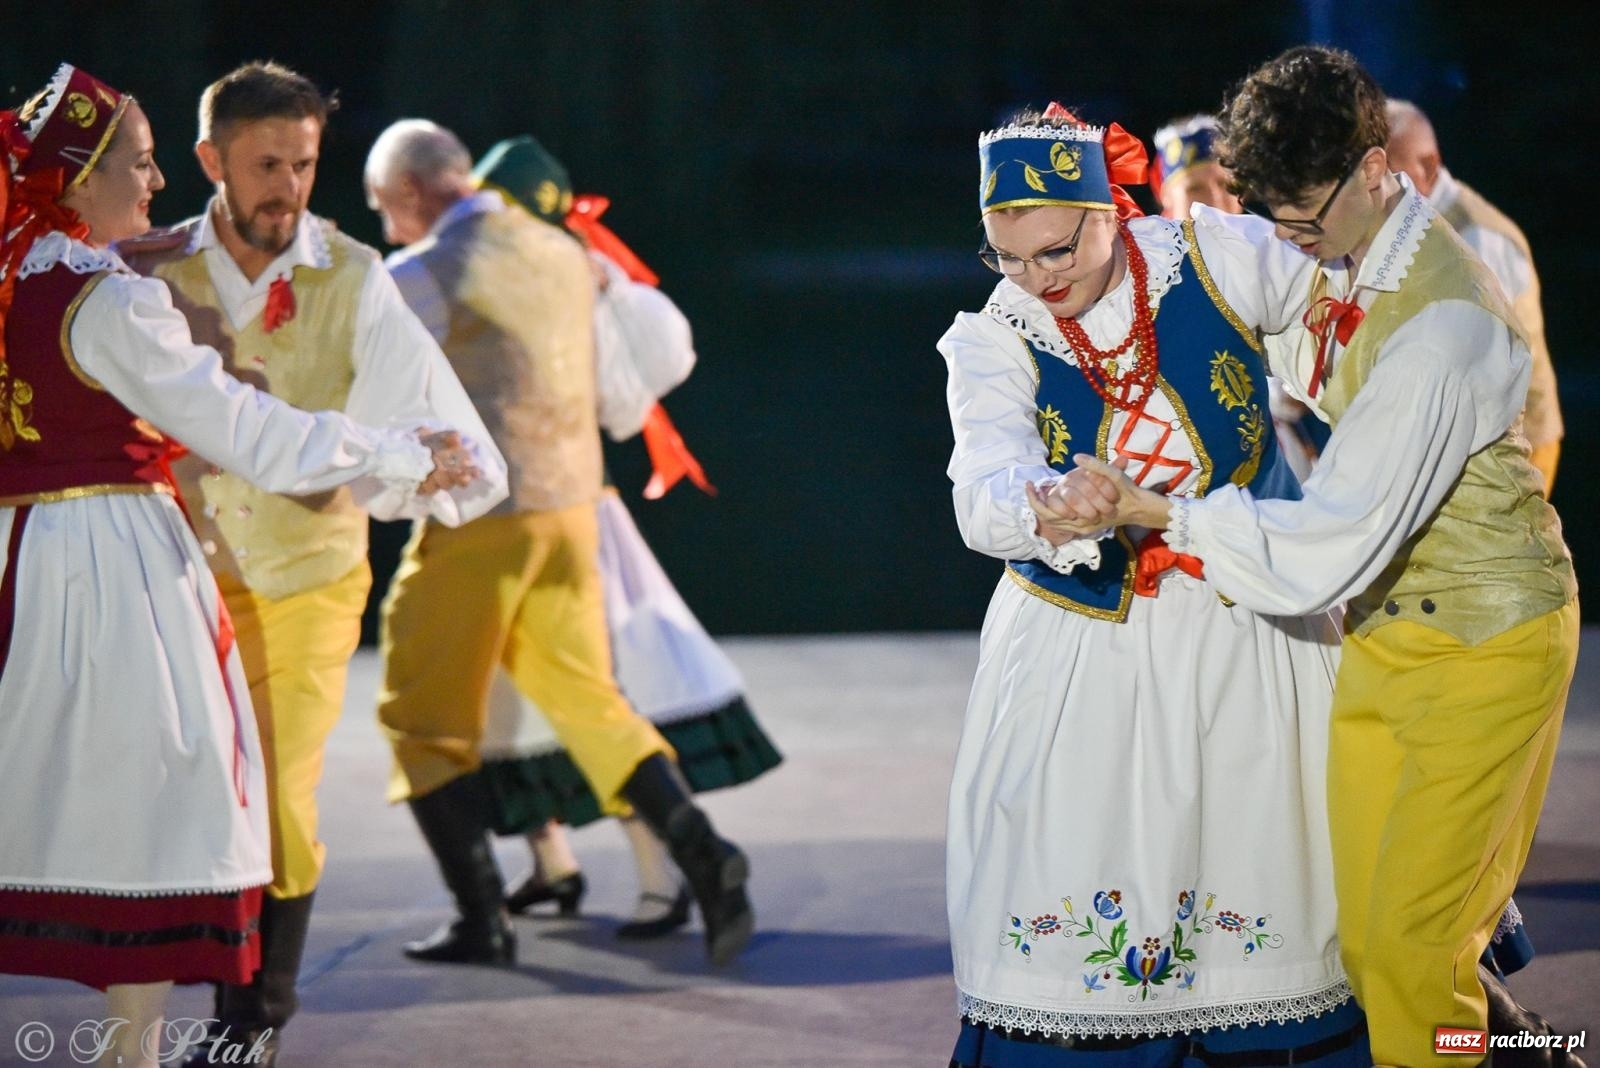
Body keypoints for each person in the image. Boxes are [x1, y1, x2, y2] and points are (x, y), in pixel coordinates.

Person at [1055, 47, 1577, 1067]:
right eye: (1278, 220)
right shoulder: (1359, 255)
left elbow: (1330, 541)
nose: (1293, 240)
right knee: (1362, 938)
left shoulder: (1445, 324)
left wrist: (1161, 509)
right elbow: (1297, 338)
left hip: (1486, 642)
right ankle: (1535, 1055)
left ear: (1376, 166)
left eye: (1304, 218)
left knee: (1411, 945)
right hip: (1391, 637)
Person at [0, 64, 487, 1068]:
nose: (151, 186)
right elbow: (249, 433)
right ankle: (134, 1049)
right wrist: (399, 454)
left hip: (29, 558)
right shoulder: (111, 293)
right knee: (170, 802)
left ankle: (223, 1026)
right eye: (135, 166)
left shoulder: (15, 279)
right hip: (114, 567)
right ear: (78, 179)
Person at [941, 102, 1368, 1066]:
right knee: (1089, 860)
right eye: (1007, 258)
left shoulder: (1214, 256)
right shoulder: (994, 337)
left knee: (1268, 866)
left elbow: (1347, 316)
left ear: (1111, 211)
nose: (1035, 280)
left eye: (1055, 251)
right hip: (1088, 646)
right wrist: (1051, 501)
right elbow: (984, 482)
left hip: (1247, 620)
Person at [363, 119, 755, 969]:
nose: (388, 228)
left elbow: (355, 368)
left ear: (409, 195)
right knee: (590, 703)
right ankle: (705, 854)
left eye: (385, 210)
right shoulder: (568, 254)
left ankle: (481, 916)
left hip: (485, 526)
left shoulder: (424, 268)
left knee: (419, 717)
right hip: (575, 514)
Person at [1385, 98, 1563, 491]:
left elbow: (1484, 366)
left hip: (1514, 450)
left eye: (1388, 175)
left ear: (1428, 167)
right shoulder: (1412, 224)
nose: (1376, 192)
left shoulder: (1477, 238)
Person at [1150, 114, 1240, 220]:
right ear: (1167, 197)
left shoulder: (1262, 232)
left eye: (1225, 184)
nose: (1215, 198)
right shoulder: (1138, 236)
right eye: (1195, 189)